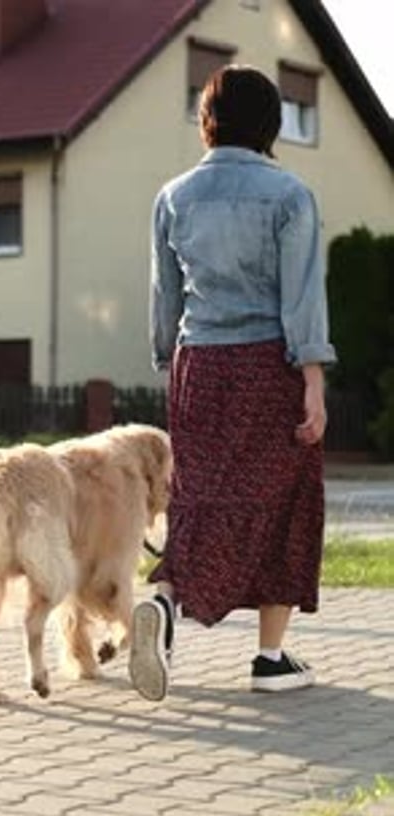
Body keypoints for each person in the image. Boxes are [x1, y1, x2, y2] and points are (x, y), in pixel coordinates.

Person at [129, 64, 337, 701]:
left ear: (208, 121)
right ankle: (270, 659)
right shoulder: (291, 195)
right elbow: (302, 299)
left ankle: (165, 600)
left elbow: (165, 298)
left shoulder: (173, 196)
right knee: (286, 500)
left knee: (198, 498)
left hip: (200, 364)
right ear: (271, 123)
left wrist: (169, 363)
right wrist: (313, 379)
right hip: (269, 366)